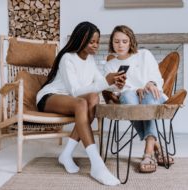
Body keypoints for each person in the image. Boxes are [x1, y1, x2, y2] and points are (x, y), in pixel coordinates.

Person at [36, 21, 125, 186]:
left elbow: (99, 83)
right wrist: (105, 81)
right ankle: (97, 164)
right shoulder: (67, 58)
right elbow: (75, 91)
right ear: (81, 41)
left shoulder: (90, 61)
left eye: (97, 42)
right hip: (50, 97)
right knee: (82, 103)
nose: (96, 45)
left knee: (93, 98)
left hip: (74, 101)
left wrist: (115, 83)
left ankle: (66, 154)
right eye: (92, 42)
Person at [104, 25, 174, 173]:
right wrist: (135, 89)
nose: (120, 45)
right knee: (129, 98)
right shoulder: (110, 65)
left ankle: (147, 153)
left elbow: (156, 77)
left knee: (149, 100)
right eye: (116, 41)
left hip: (151, 94)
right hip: (131, 97)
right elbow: (114, 90)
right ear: (112, 43)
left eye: (124, 41)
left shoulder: (144, 54)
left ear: (131, 42)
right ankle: (157, 147)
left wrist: (149, 83)